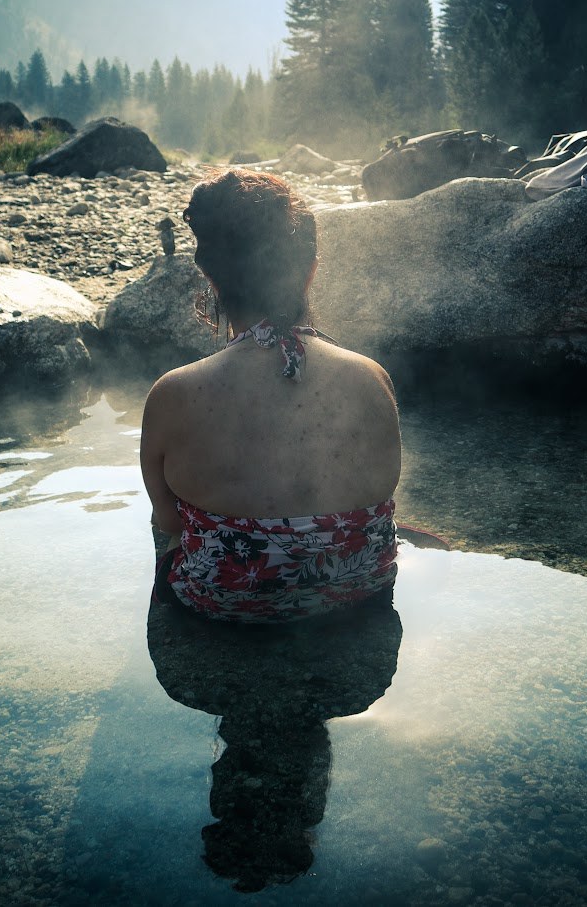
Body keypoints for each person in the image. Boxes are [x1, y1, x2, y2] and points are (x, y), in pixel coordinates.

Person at [140, 169, 402, 623]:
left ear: (211, 277)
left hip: (220, 605)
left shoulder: (173, 395)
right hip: (360, 593)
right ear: (310, 272)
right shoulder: (371, 378)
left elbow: (169, 523)